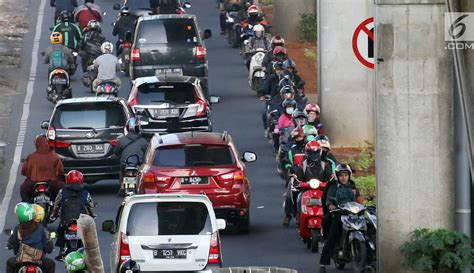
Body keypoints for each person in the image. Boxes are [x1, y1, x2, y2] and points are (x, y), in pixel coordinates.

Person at [319, 164, 361, 273]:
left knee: (368, 229)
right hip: (339, 215)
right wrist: (331, 206)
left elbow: (358, 200)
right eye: (341, 175)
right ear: (337, 176)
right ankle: (323, 264)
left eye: (346, 175)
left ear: (349, 176)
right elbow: (328, 200)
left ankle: (370, 261)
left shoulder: (353, 187)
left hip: (353, 215)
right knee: (332, 236)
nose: (343, 177)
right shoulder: (333, 187)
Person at [284, 140, 336, 226]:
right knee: (291, 194)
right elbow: (297, 178)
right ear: (307, 152)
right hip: (305, 190)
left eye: (316, 152)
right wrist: (296, 182)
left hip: (322, 190)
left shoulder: (326, 165)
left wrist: (331, 182)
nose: (313, 155)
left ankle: (331, 217)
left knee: (332, 198)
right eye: (311, 152)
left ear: (320, 152)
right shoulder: (302, 165)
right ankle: (291, 215)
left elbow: (331, 178)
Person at [50, 170, 96, 260]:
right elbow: (90, 206)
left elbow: (56, 204)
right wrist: (93, 215)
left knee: (60, 231)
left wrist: (54, 215)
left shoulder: (62, 192)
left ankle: (61, 249)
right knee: (89, 235)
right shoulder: (85, 193)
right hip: (81, 221)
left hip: (66, 221)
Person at [6, 202, 55, 273]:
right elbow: (46, 248)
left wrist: (17, 252)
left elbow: (15, 247)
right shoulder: (42, 229)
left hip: (22, 261)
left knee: (9, 262)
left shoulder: (18, 229)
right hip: (39, 261)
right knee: (51, 264)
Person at [20, 135, 65, 204]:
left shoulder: (31, 156)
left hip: (33, 183)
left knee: (23, 189)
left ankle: (28, 206)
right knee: (64, 190)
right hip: (52, 183)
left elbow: (24, 171)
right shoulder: (54, 156)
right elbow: (60, 171)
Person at [114, 116, 148, 196]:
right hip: (138, 164)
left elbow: (116, 152)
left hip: (125, 164)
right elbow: (147, 153)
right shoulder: (143, 141)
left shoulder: (121, 140)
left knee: (122, 171)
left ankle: (122, 187)